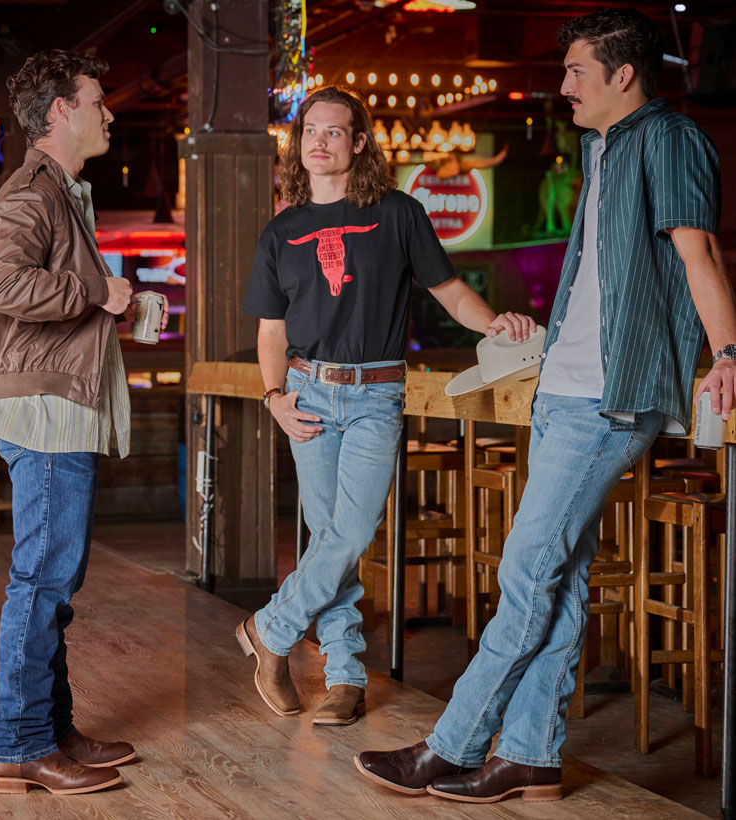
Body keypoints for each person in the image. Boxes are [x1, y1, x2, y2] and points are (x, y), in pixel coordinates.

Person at [356, 8, 736, 803]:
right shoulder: (604, 149)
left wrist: (729, 353)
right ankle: (531, 754)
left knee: (527, 575)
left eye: (575, 71)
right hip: (563, 393)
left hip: (608, 396)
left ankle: (454, 745)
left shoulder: (669, 141)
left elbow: (698, 253)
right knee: (555, 581)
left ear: (623, 75)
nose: (561, 85)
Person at [238, 85, 535, 727]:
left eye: (334, 131)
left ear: (359, 142)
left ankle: (270, 629)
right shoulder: (280, 231)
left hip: (377, 393)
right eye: (310, 131)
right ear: (300, 144)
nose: (319, 141)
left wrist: (495, 325)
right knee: (330, 539)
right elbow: (270, 330)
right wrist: (274, 399)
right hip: (307, 393)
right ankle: (344, 676)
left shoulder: (398, 213)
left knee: (349, 533)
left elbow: (451, 291)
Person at [0, 49, 167, 795]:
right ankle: (20, 744)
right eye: (97, 99)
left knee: (54, 576)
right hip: (45, 410)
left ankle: (51, 730)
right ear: (60, 110)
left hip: (59, 405)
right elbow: (12, 285)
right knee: (41, 580)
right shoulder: (30, 194)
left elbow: (58, 293)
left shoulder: (61, 192)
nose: (109, 111)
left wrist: (116, 303)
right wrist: (101, 291)